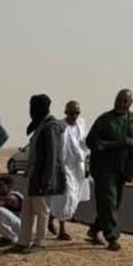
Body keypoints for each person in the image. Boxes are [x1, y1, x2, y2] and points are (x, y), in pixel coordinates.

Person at [85, 89, 133, 251]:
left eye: (125, 101)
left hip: (124, 167)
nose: (121, 104)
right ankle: (112, 237)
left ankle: (96, 228)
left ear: (130, 103)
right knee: (108, 200)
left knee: (114, 203)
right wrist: (112, 144)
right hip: (104, 167)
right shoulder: (105, 120)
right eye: (119, 100)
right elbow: (91, 141)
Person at [9, 95, 65, 254]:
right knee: (27, 208)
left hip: (43, 176)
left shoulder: (51, 128)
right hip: (33, 175)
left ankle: (40, 242)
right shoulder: (41, 125)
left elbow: (52, 156)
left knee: (42, 209)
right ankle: (23, 241)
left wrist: (47, 179)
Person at [49, 101, 89, 240]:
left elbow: (85, 146)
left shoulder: (81, 124)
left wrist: (86, 166)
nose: (74, 115)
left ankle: (51, 217)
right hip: (64, 167)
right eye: (72, 113)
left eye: (77, 113)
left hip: (78, 167)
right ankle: (62, 230)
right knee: (66, 196)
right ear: (66, 112)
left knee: (75, 197)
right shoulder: (60, 126)